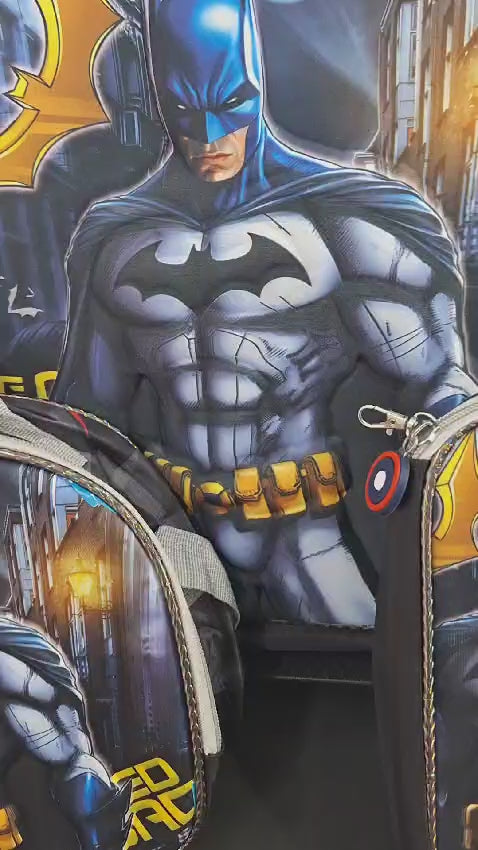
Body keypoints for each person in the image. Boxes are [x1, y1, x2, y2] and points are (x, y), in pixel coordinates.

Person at [52, 0, 477, 626]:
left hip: (300, 536)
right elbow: (86, 416)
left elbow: (443, 386)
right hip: (179, 543)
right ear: (160, 99)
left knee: (365, 667)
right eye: (186, 112)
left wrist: (428, 502)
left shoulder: (346, 224)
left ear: (259, 82)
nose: (209, 137)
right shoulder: (118, 239)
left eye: (231, 104)